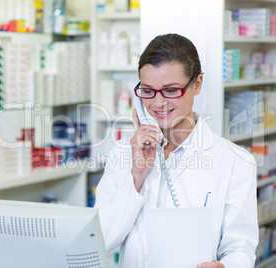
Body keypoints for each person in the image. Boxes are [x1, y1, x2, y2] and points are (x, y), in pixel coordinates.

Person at [94, 33, 258, 268]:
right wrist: (136, 178)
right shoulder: (123, 152)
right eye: (148, 91)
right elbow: (101, 241)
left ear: (197, 84)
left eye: (171, 90)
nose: (158, 103)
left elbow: (240, 249)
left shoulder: (236, 161)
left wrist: (225, 267)